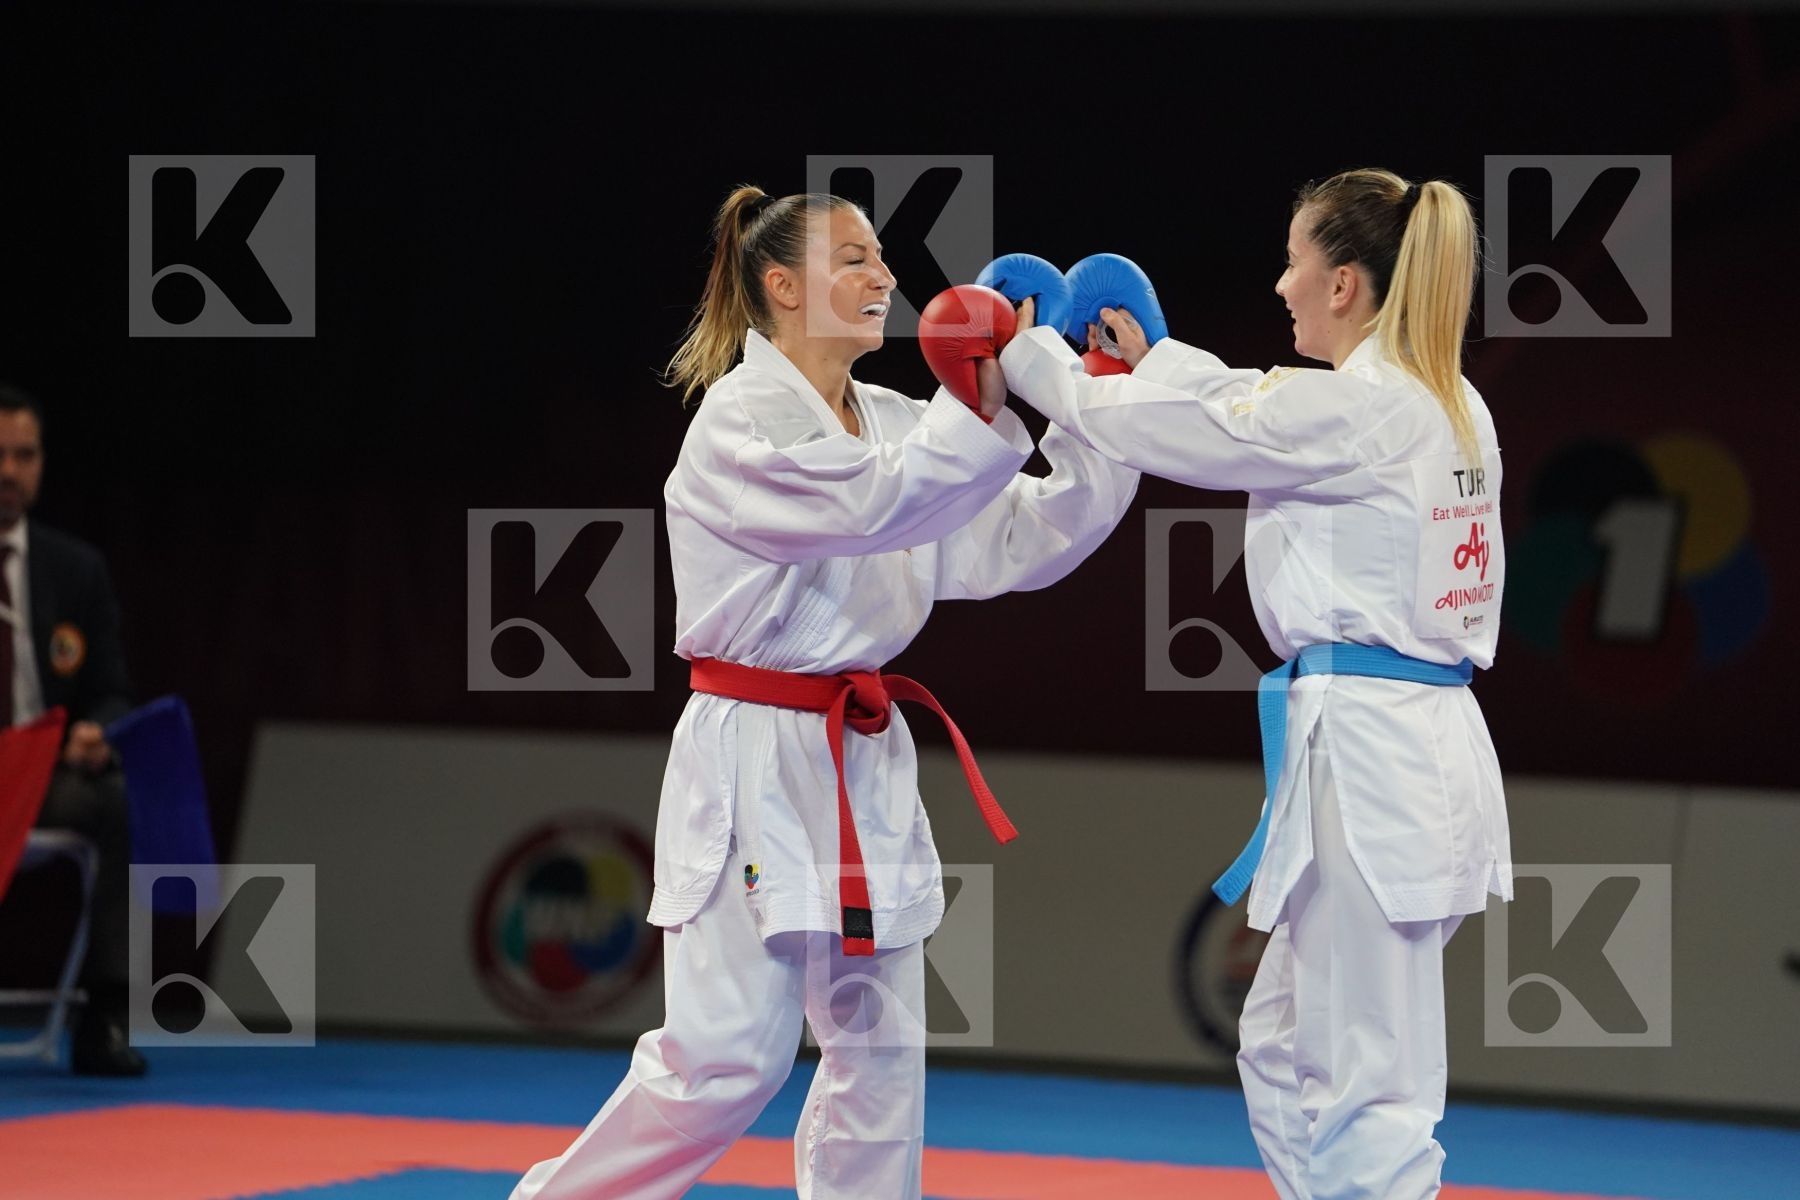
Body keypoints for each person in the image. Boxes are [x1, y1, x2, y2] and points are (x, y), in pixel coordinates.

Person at [507, 187, 1138, 1200]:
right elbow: (873, 507)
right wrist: (983, 396)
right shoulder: (739, 424)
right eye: (853, 259)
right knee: (725, 1062)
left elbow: (1024, 537)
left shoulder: (893, 420)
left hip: (861, 751)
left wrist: (1093, 395)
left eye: (881, 256)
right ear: (782, 286)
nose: (884, 275)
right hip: (753, 748)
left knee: (878, 1059)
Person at [998, 170, 1509, 1199]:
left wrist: (1026, 352)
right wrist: (1159, 359)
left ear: (1346, 284)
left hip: (1380, 760)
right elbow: (1246, 405)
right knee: (1277, 1046)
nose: (1280, 286)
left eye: (1294, 264)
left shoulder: (1365, 410)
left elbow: (1206, 429)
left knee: (1375, 1083)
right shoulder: (1434, 403)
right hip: (1390, 745)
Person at [0, 383, 143, 1077]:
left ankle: (104, 1016)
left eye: (24, 455)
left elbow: (112, 689)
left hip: (37, 781)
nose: (9, 471)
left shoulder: (73, 569)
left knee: (111, 798)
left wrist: (95, 731)